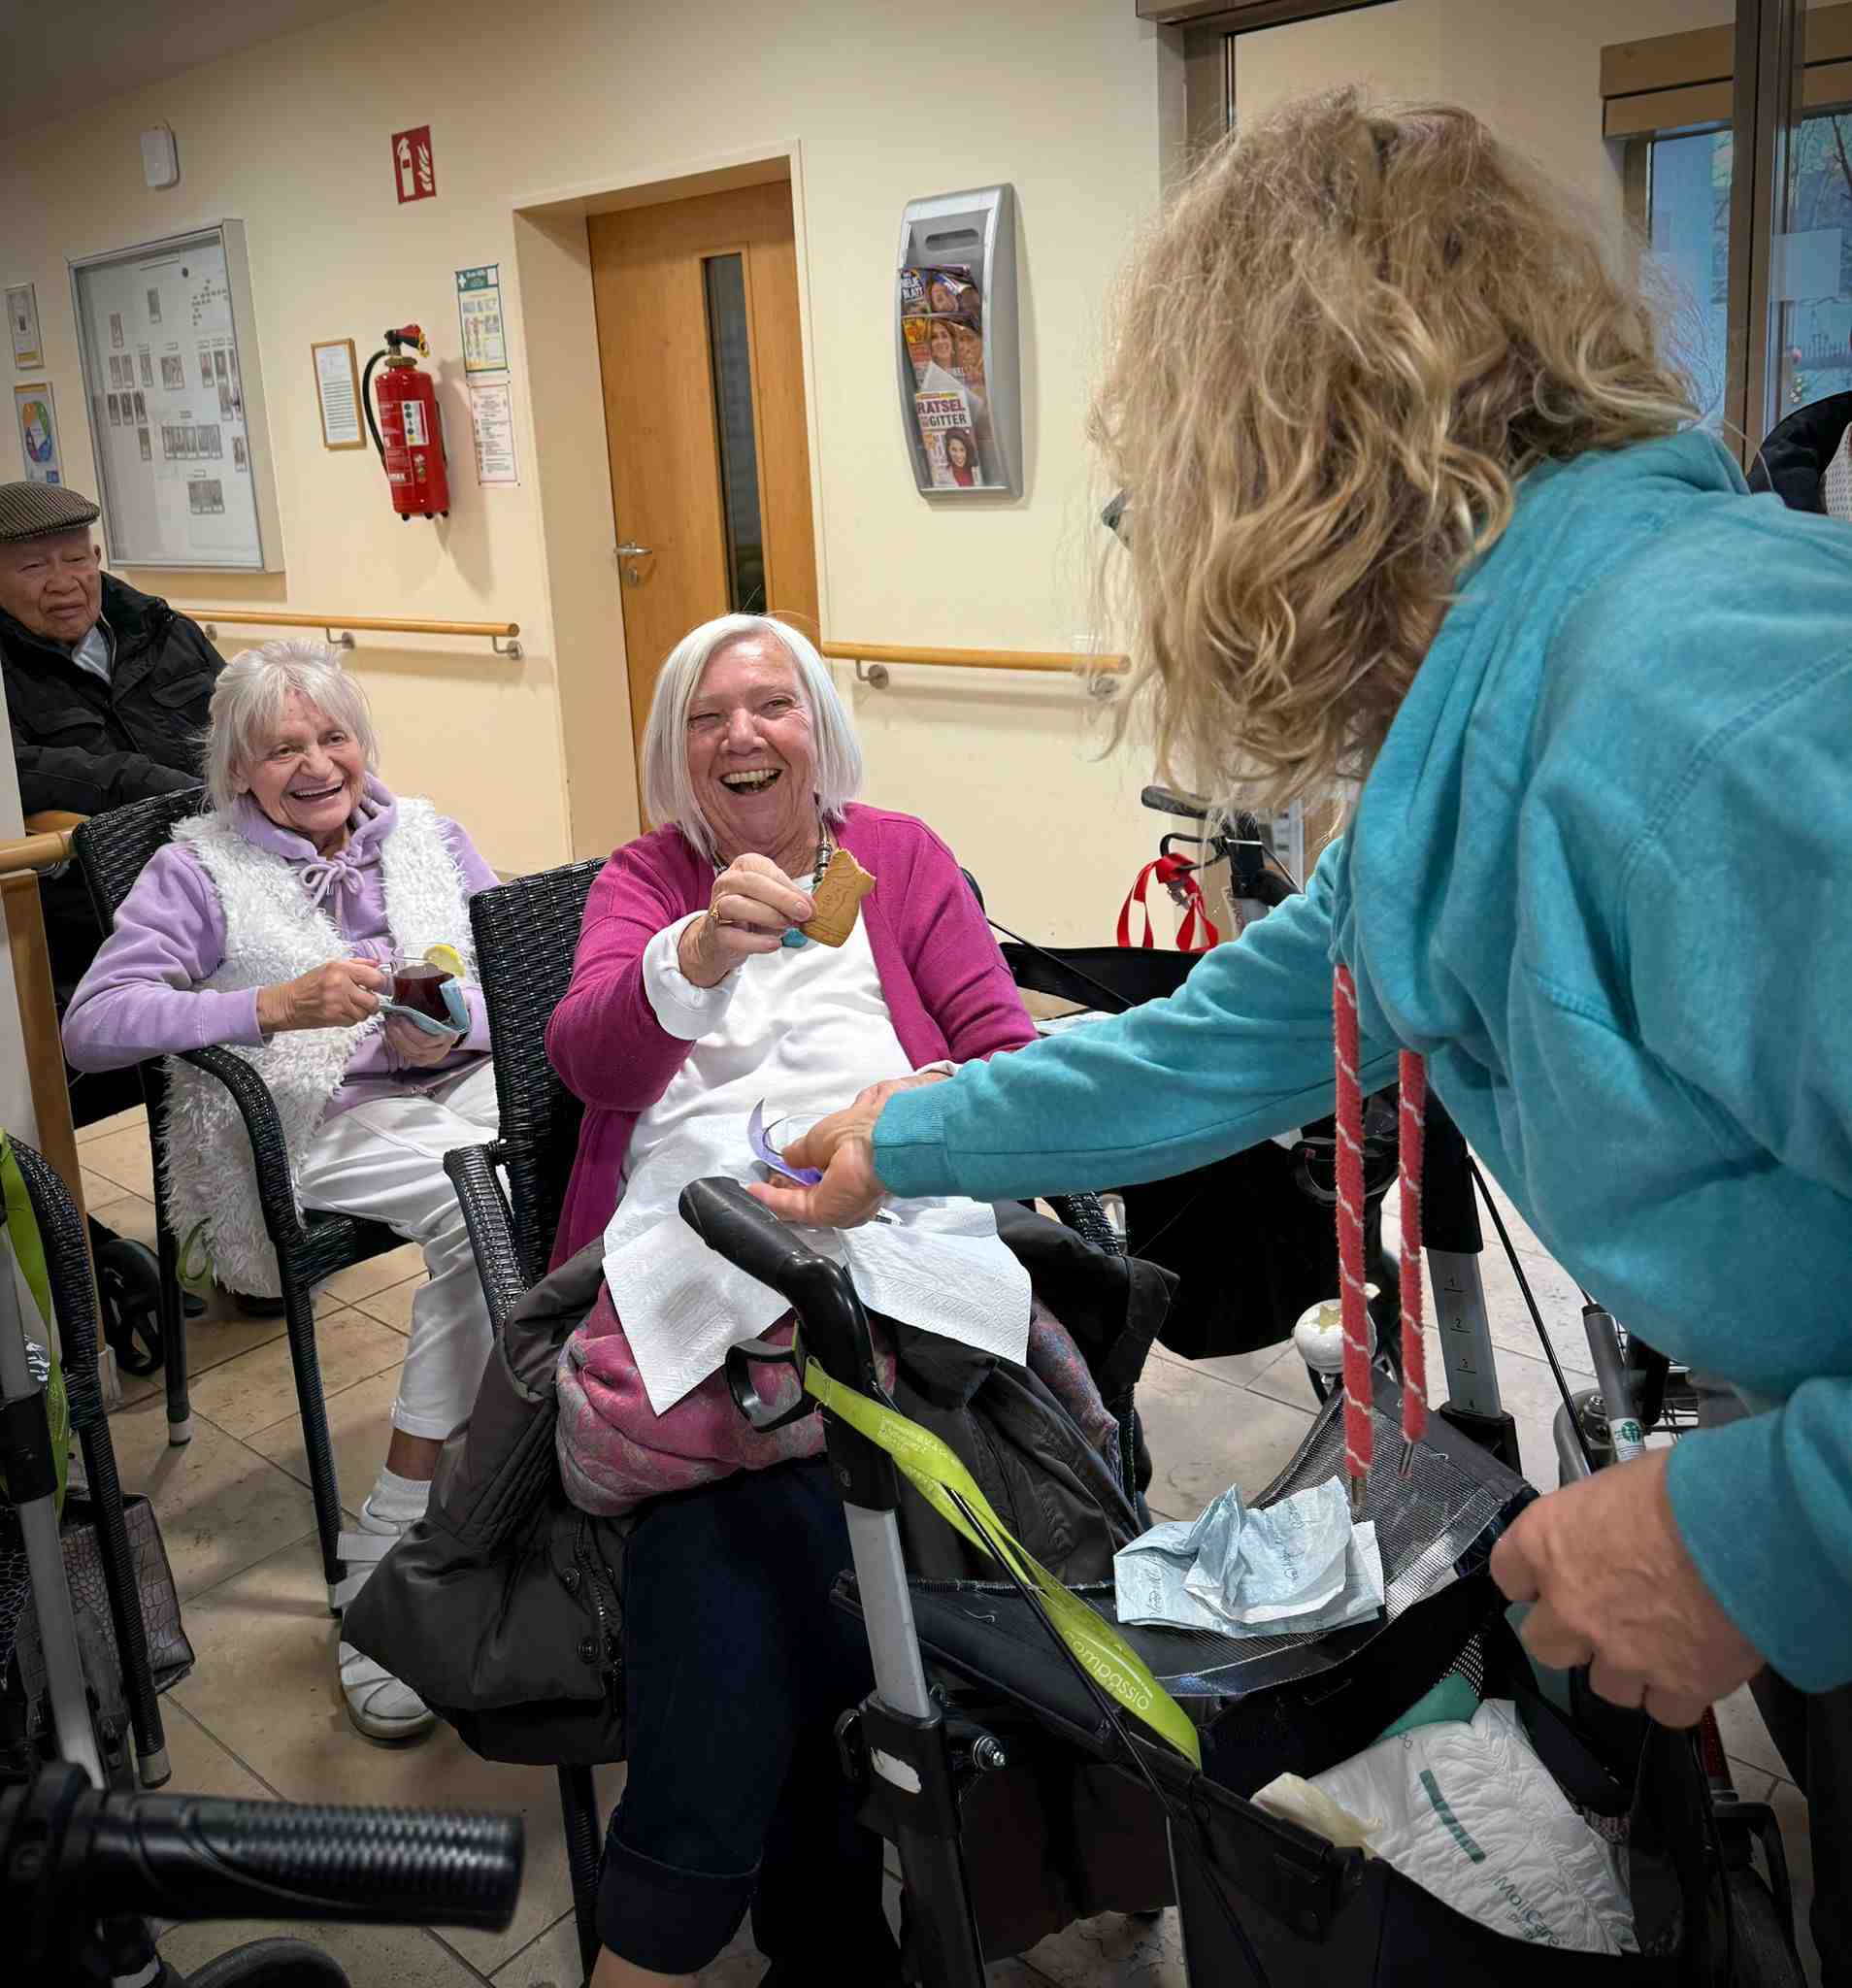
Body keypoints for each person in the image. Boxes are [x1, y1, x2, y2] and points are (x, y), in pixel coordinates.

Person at [759, 91, 1852, 1973]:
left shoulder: (1682, 690)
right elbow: (1214, 1043)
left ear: (1272, 453)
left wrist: (1759, 1527)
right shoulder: (1491, 724)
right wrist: (910, 1130)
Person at [546, 613, 1121, 1987]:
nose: (742, 734)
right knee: (793, 1485)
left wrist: (902, 1111)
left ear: (821, 730)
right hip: (701, 1231)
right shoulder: (646, 879)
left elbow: (997, 1049)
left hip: (897, 1205)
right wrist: (687, 958)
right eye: (707, 715)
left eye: (773, 705)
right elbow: (590, 1064)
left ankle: (733, 1922)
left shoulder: (902, 860)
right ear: (679, 756)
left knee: (757, 1509)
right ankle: (828, 1912)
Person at [62, 640, 501, 1747]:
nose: (315, 764)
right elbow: (95, 1021)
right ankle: (396, 1547)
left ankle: (521, 1488)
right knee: (480, 1205)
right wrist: (266, 1006)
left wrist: (448, 1022)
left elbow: (511, 976)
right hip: (318, 1114)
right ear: (237, 769)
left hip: (454, 1083)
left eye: (332, 736)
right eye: (280, 748)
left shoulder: (429, 833)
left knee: (581, 1161)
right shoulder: (196, 867)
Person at [0, 482, 220, 1001]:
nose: (63, 583)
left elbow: (245, 718)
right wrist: (146, 784)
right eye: (33, 568)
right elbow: (18, 768)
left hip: (219, 873)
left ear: (96, 557)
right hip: (95, 911)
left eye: (76, 559)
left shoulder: (161, 628)